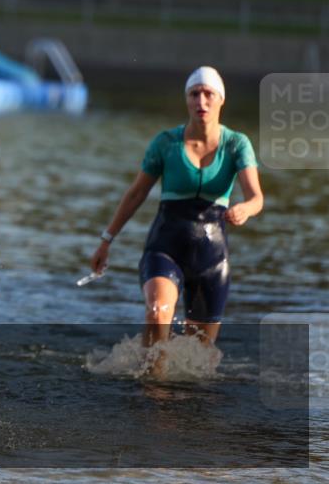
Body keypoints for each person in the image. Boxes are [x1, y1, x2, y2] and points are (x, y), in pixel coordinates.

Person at [89, 66, 263, 358]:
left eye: (208, 94)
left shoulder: (236, 144)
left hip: (212, 259)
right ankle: (151, 392)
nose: (201, 101)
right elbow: (136, 193)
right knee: (158, 313)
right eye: (194, 94)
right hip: (165, 248)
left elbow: (256, 197)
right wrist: (106, 240)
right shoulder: (166, 143)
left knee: (198, 358)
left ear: (221, 99)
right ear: (187, 100)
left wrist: (245, 208)